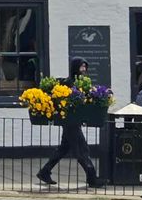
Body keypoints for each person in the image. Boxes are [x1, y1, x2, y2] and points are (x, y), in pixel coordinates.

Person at [36, 57, 106, 188]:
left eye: (85, 67)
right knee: (82, 149)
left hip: (73, 121)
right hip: (70, 122)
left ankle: (44, 171)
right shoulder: (69, 83)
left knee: (64, 148)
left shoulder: (81, 83)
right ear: (75, 68)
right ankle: (92, 178)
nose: (84, 70)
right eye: (81, 67)